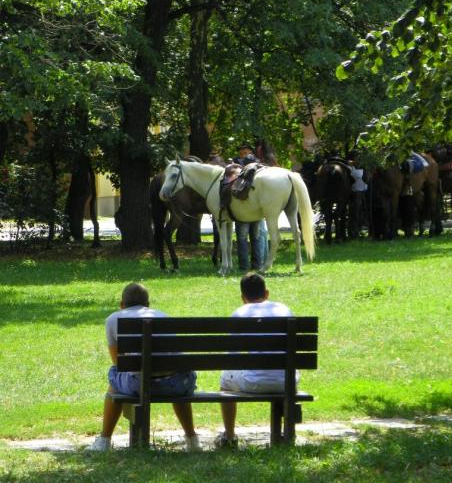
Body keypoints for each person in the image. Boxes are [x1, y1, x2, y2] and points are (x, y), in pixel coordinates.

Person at [88, 282, 201, 452]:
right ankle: (192, 440)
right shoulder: (164, 316)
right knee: (176, 373)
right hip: (176, 386)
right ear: (148, 305)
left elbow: (117, 362)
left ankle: (104, 440)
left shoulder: (113, 319)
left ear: (121, 304)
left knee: (114, 373)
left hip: (137, 386)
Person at [216, 273, 297, 447]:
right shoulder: (285, 310)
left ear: (243, 297)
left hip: (254, 383)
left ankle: (229, 437)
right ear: (266, 293)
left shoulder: (239, 313)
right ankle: (288, 435)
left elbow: (232, 358)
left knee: (225, 379)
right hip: (288, 382)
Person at [232, 142, 263, 271]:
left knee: (245, 239)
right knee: (254, 238)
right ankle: (256, 265)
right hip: (254, 211)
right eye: (241, 152)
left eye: (245, 152)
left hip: (243, 211)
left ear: (250, 152)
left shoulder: (237, 170)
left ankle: (245, 266)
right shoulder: (259, 167)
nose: (243, 155)